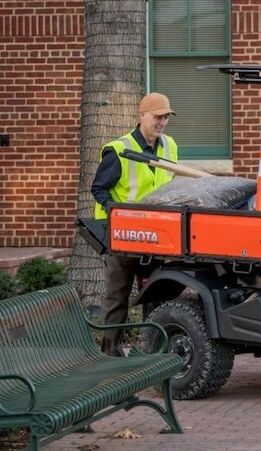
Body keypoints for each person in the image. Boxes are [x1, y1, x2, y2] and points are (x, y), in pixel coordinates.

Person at [91, 92, 178, 356]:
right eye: (157, 117)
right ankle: (110, 355)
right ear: (142, 116)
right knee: (117, 297)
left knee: (155, 296)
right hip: (122, 236)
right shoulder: (119, 150)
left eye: (165, 117)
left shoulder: (170, 146)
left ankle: (153, 352)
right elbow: (99, 189)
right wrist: (117, 213)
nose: (162, 122)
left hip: (156, 235)